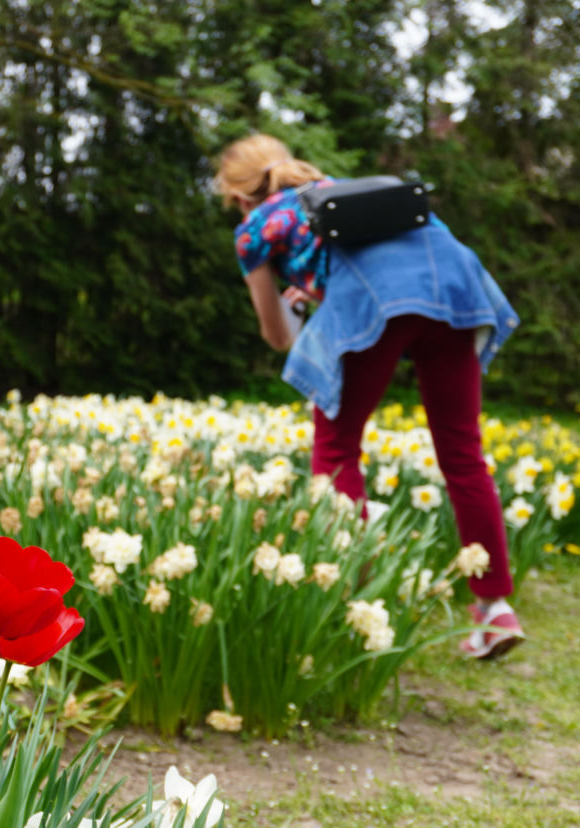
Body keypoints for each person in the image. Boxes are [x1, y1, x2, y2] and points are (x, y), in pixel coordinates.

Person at [215, 133, 524, 659]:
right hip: (455, 285)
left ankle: (355, 604)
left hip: (381, 300)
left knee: (336, 453)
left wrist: (301, 310)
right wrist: (319, 290)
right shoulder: (336, 191)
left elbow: (277, 335)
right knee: (463, 452)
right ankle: (495, 610)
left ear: (240, 196)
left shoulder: (256, 228)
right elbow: (389, 260)